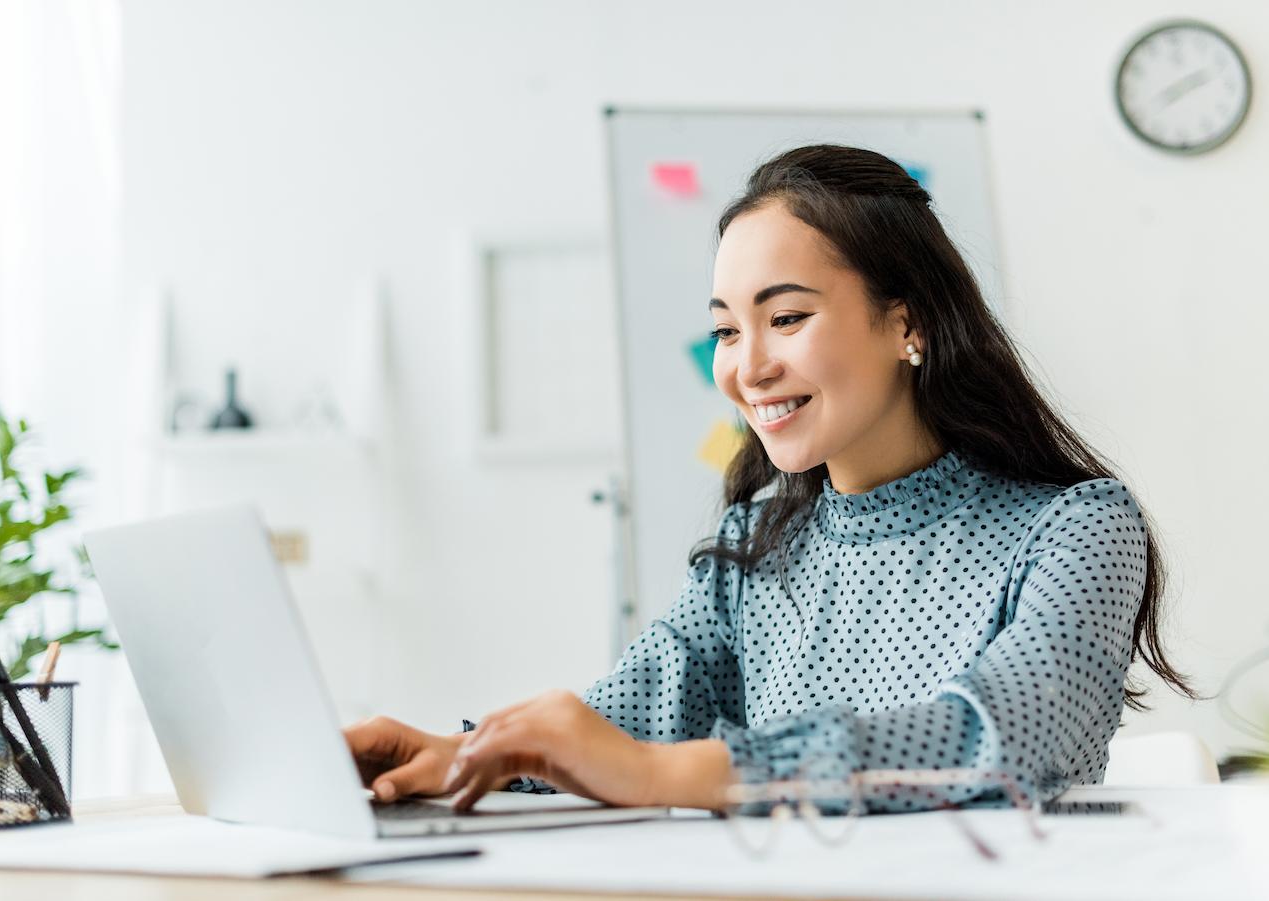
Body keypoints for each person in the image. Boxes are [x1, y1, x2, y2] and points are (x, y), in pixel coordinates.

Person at [344, 144, 1196, 814]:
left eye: (785, 317)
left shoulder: (1079, 526)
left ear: (908, 322)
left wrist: (657, 773)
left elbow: (1003, 737)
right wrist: (462, 753)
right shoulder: (754, 542)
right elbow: (623, 717)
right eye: (725, 330)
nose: (746, 367)